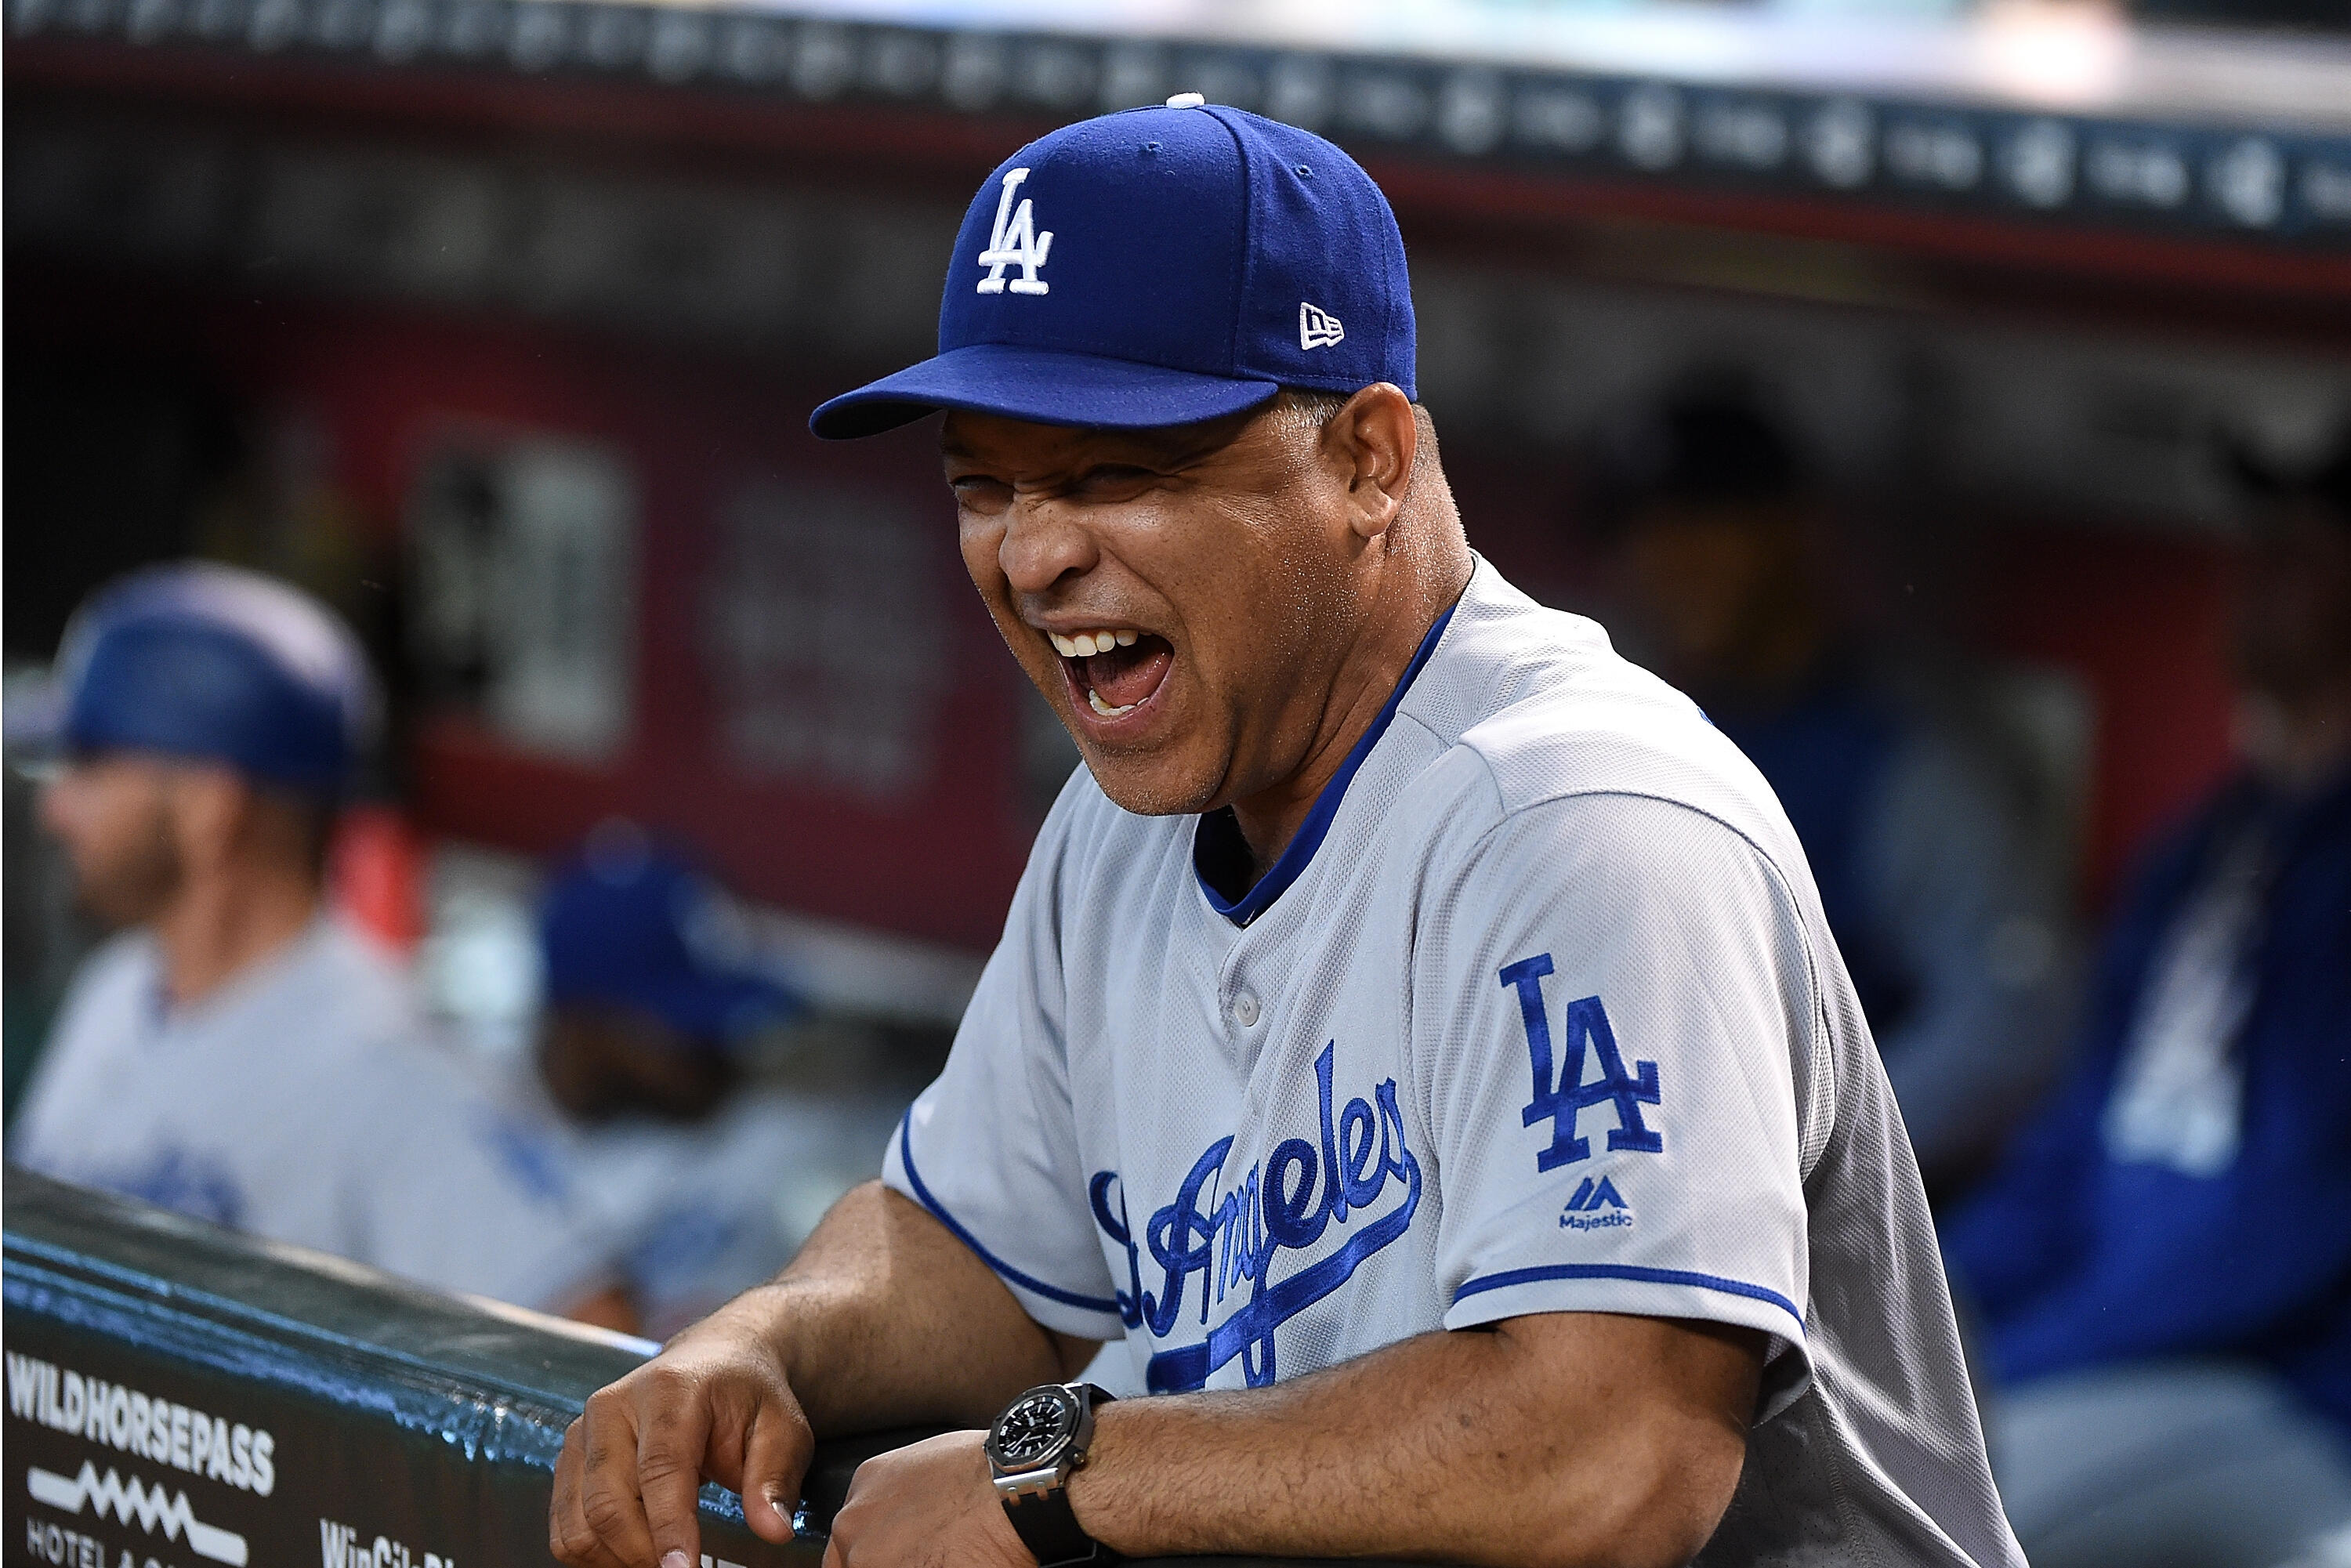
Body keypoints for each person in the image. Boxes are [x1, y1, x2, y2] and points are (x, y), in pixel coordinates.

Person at [549, 100, 2021, 1568]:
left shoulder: (1579, 821)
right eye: (983, 487)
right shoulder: (1115, 828)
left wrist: (1050, 1470)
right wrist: (760, 1341)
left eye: (1113, 472)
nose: (1035, 552)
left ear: (1372, 462)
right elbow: (983, 1258)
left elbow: (1611, 1450)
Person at [8, 561, 629, 1328]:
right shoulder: (116, 988)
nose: (56, 809)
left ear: (210, 808)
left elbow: (597, 1349)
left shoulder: (393, 1070)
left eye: (92, 766)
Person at [1942, 430, 2351, 1568]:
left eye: (2310, 550)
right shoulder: (2204, 850)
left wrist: (2012, 1362)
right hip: (2128, 1352)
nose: (2261, 574)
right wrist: (1921, 1314)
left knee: (1922, 1521)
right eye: (2260, 544)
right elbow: (2072, 1148)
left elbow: (2287, 1228)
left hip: (2291, 1389)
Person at [1599, 388, 2074, 1199]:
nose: (1669, 556)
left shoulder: (1898, 761)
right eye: (1647, 528)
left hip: (1808, 1227)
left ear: (1796, 530)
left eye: (1706, 518)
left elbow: (2013, 1022)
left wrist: (1803, 1156)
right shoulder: (1623, 738)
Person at [527, 825, 834, 1340]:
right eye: (683, 1022)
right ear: (584, 1023)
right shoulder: (474, 1126)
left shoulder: (776, 1147)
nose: (719, 1044)